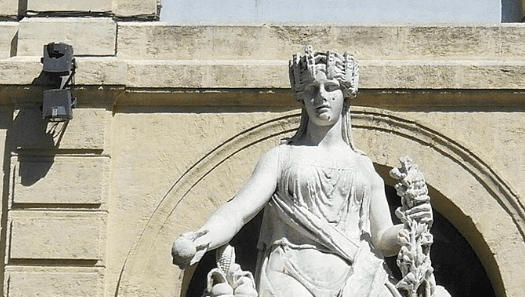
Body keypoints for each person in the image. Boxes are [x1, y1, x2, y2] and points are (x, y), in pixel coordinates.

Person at [172, 49, 432, 297]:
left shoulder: (362, 166)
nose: (321, 96)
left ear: (345, 95)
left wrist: (409, 231)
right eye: (311, 89)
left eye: (331, 88)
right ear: (302, 97)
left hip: (357, 274)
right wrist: (202, 238)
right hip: (289, 272)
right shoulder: (282, 157)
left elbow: (381, 237)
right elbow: (238, 211)